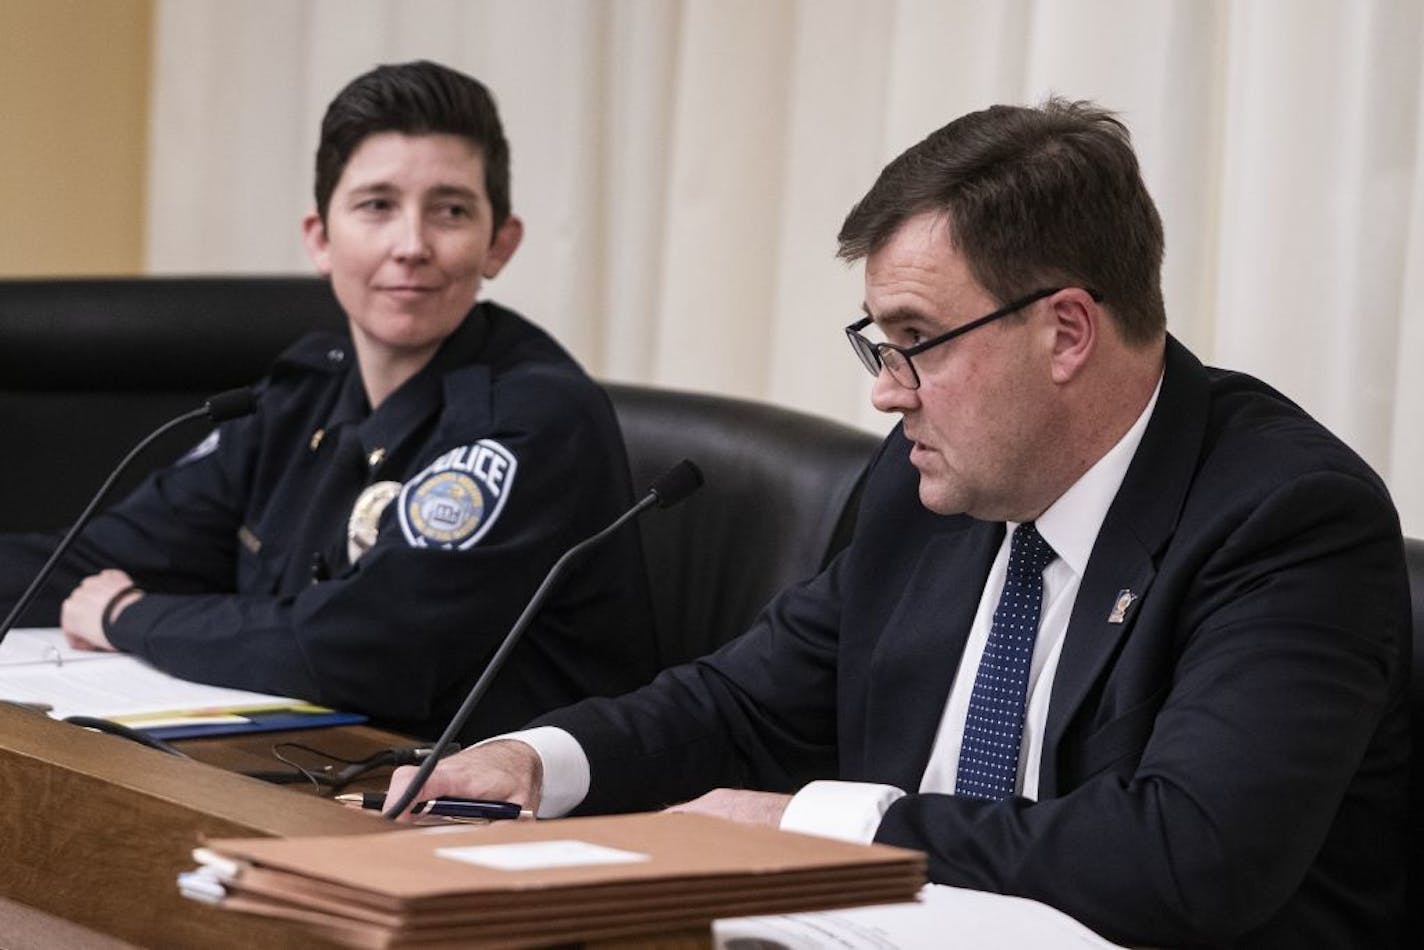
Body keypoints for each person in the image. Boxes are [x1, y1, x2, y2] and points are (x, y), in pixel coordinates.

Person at [387, 98, 1410, 947]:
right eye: (877, 343)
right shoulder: (930, 483)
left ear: (1063, 331)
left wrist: (814, 821)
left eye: (915, 340)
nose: (885, 393)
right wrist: (535, 759)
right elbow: (745, 702)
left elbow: (1185, 853)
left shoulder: (1283, 518)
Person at [0, 60, 657, 741]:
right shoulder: (298, 397)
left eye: (451, 211)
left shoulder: (529, 419)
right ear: (320, 238)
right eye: (377, 206)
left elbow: (368, 645)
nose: (412, 246)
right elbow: (92, 560)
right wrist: (117, 597)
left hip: (498, 815)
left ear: (500, 244)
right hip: (315, 771)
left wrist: (127, 616)